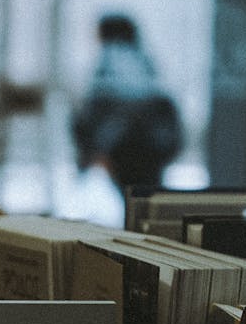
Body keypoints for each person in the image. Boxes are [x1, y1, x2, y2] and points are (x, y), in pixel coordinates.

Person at [71, 12, 183, 198]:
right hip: (150, 152)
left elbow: (92, 112)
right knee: (145, 201)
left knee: (130, 202)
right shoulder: (146, 63)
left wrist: (95, 151)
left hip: (120, 150)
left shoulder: (108, 64)